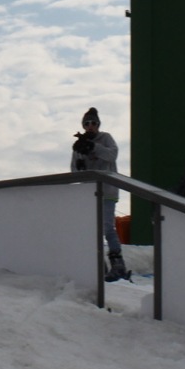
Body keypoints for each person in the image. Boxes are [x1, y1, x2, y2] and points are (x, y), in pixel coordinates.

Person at [71, 107, 129, 282]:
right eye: (87, 123)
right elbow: (73, 169)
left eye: (93, 123)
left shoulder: (106, 138)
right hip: (90, 193)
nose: (90, 126)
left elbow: (112, 155)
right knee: (91, 229)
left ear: (98, 125)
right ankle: (98, 264)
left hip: (107, 191)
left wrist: (94, 147)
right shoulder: (79, 145)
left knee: (107, 227)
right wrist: (80, 166)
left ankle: (117, 263)